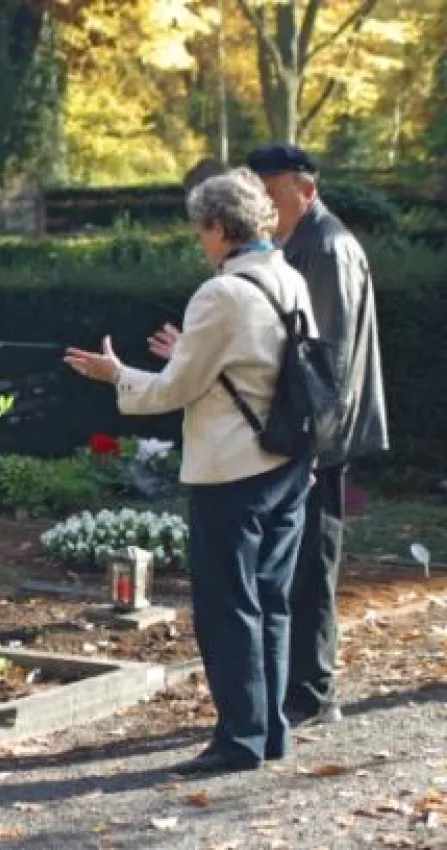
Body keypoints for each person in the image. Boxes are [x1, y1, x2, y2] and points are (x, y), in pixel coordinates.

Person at [65, 168, 316, 774]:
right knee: (272, 603)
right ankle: (269, 730)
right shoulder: (289, 278)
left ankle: (238, 739)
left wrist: (116, 374)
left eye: (199, 230)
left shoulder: (221, 293)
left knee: (229, 609)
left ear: (218, 226)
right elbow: (259, 367)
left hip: (231, 470)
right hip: (286, 462)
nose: (198, 242)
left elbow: (175, 390)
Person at [246, 144, 389, 728]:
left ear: (305, 192)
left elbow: (323, 357)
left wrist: (312, 442)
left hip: (319, 437)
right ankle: (302, 686)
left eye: (271, 195)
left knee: (312, 566)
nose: (263, 207)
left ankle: (313, 691)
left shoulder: (325, 247)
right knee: (299, 563)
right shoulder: (304, 242)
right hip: (311, 432)